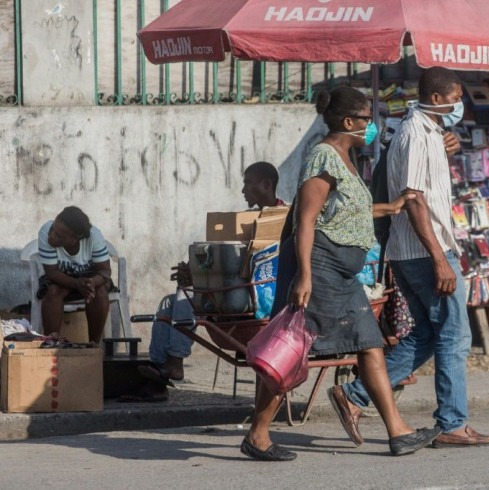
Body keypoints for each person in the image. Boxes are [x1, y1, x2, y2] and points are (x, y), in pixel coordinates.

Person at [240, 86, 441, 462]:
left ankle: (397, 431)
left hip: (344, 274)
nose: (372, 125)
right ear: (349, 122)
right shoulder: (322, 158)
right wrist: (303, 276)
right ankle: (258, 434)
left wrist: (391, 207)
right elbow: (305, 220)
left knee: (371, 345)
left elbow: (346, 214)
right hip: (321, 267)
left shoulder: (345, 159)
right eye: (367, 118)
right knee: (290, 350)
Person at [332, 67, 489, 448]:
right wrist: (439, 258)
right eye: (455, 97)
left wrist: (444, 145)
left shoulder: (426, 132)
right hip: (424, 251)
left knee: (426, 334)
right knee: (455, 335)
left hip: (416, 251)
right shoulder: (414, 133)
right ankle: (452, 423)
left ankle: (355, 395)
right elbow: (414, 198)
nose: (459, 105)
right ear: (437, 99)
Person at [133, 162, 284, 401]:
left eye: (248, 183)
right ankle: (160, 367)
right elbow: (228, 264)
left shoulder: (282, 219)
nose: (243, 189)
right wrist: (196, 272)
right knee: (168, 304)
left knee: (187, 296)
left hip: (257, 296)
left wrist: (200, 278)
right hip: (236, 289)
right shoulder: (243, 221)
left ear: (266, 185)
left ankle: (174, 361)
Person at [37, 206, 112, 344]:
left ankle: (93, 345)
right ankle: (51, 343)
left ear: (76, 238)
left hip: (89, 277)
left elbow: (105, 271)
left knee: (99, 292)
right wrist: (77, 284)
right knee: (52, 292)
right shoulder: (45, 232)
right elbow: (52, 272)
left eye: (60, 235)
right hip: (60, 278)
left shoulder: (94, 236)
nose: (52, 235)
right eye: (54, 228)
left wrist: (91, 283)